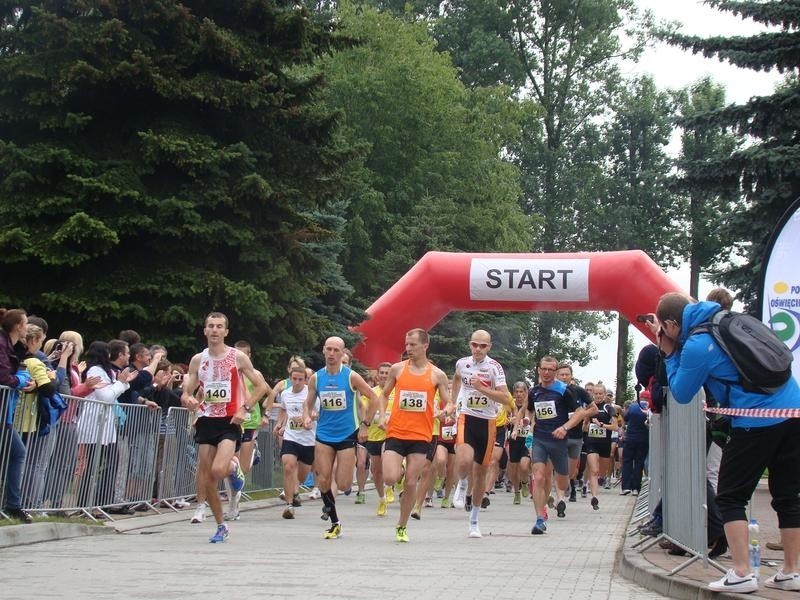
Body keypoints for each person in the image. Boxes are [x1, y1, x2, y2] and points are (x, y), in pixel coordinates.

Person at [652, 292, 800, 593]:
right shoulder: (728, 320)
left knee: (730, 496)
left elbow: (681, 392)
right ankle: (792, 571)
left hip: (756, 421)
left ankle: (743, 571)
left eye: (663, 328)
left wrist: (669, 354)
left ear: (670, 324)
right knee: (787, 495)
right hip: (793, 409)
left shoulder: (697, 344)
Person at [180, 312, 268, 543]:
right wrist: (187, 398)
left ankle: (233, 470)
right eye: (211, 326)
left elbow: (261, 387)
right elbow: (188, 391)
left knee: (218, 470)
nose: (215, 330)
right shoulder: (198, 360)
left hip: (230, 421)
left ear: (226, 332)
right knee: (207, 474)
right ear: (205, 330)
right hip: (206, 419)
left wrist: (244, 409)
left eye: (220, 326)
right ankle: (221, 525)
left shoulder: (237, 357)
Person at [379, 329, 453, 541]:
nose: (408, 349)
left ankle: (402, 526)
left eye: (412, 345)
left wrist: (444, 411)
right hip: (396, 431)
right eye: (407, 344)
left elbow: (449, 402)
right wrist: (383, 415)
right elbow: (383, 396)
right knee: (390, 477)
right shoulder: (397, 369)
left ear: (425, 346)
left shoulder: (436, 374)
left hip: (421, 436)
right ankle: (399, 471)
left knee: (412, 482)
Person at [302, 336, 378, 539]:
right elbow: (307, 403)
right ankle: (335, 521)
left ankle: (333, 500)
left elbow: (374, 397)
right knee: (323, 478)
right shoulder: (316, 378)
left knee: (344, 484)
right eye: (329, 349)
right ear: (324, 351)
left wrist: (365, 425)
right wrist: (306, 417)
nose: (332, 354)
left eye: (337, 350)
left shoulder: (351, 376)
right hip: (324, 434)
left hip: (346, 434)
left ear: (343, 353)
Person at [451, 330, 516, 538]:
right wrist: (453, 402)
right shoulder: (462, 363)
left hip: (488, 423)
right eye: (474, 345)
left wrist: (483, 389)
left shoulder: (494, 368)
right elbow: (456, 380)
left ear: (489, 347)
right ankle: (461, 485)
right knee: (463, 460)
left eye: (482, 346)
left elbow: (506, 398)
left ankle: (474, 520)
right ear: (470, 345)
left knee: (480, 472)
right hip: (466, 418)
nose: (478, 349)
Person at [523, 355, 594, 535]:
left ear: (555, 372)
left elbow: (579, 413)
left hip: (559, 441)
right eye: (543, 369)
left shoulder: (564, 390)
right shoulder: (534, 391)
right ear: (538, 370)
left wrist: (565, 427)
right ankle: (540, 519)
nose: (546, 373)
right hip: (540, 439)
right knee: (538, 477)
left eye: (550, 370)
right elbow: (530, 410)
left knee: (562, 481)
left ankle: (563, 489)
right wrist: (527, 424)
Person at [0, 308, 35, 522]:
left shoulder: (11, 345)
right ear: (18, 326)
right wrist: (23, 382)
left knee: (15, 453)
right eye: (25, 322)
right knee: (17, 452)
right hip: (3, 410)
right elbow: (4, 376)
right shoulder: (2, 344)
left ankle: (13, 504)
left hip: (5, 410)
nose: (27, 326)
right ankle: (12, 504)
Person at [275, 366, 314, 519]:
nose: (297, 382)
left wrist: (309, 418)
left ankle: (296, 490)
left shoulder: (311, 395)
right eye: (294, 379)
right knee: (288, 466)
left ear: (305, 380)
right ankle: (289, 505)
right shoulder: (285, 394)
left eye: (300, 379)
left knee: (302, 477)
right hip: (291, 437)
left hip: (308, 439)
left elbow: (318, 413)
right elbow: (284, 410)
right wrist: (280, 424)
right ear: (290, 379)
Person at [363, 362, 392, 516]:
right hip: (374, 435)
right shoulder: (371, 393)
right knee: (376, 470)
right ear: (377, 375)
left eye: (387, 373)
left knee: (388, 462)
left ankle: (390, 487)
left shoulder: (397, 391)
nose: (384, 376)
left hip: (392, 436)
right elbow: (364, 410)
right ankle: (382, 499)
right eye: (382, 373)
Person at [582, 383, 616, 511]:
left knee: (601, 472)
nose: (598, 396)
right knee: (594, 470)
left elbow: (615, 427)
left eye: (600, 394)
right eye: (595, 394)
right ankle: (594, 497)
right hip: (591, 442)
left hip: (605, 444)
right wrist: (585, 426)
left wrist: (601, 425)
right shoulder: (591, 408)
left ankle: (599, 483)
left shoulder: (608, 408)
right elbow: (585, 426)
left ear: (604, 394)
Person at [507, 381, 531, 505]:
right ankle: (516, 493)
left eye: (522, 391)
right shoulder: (510, 405)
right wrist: (509, 420)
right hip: (514, 440)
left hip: (526, 440)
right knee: (514, 468)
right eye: (517, 392)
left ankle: (525, 482)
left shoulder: (530, 406)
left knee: (524, 465)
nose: (519, 394)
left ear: (526, 392)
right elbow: (502, 419)